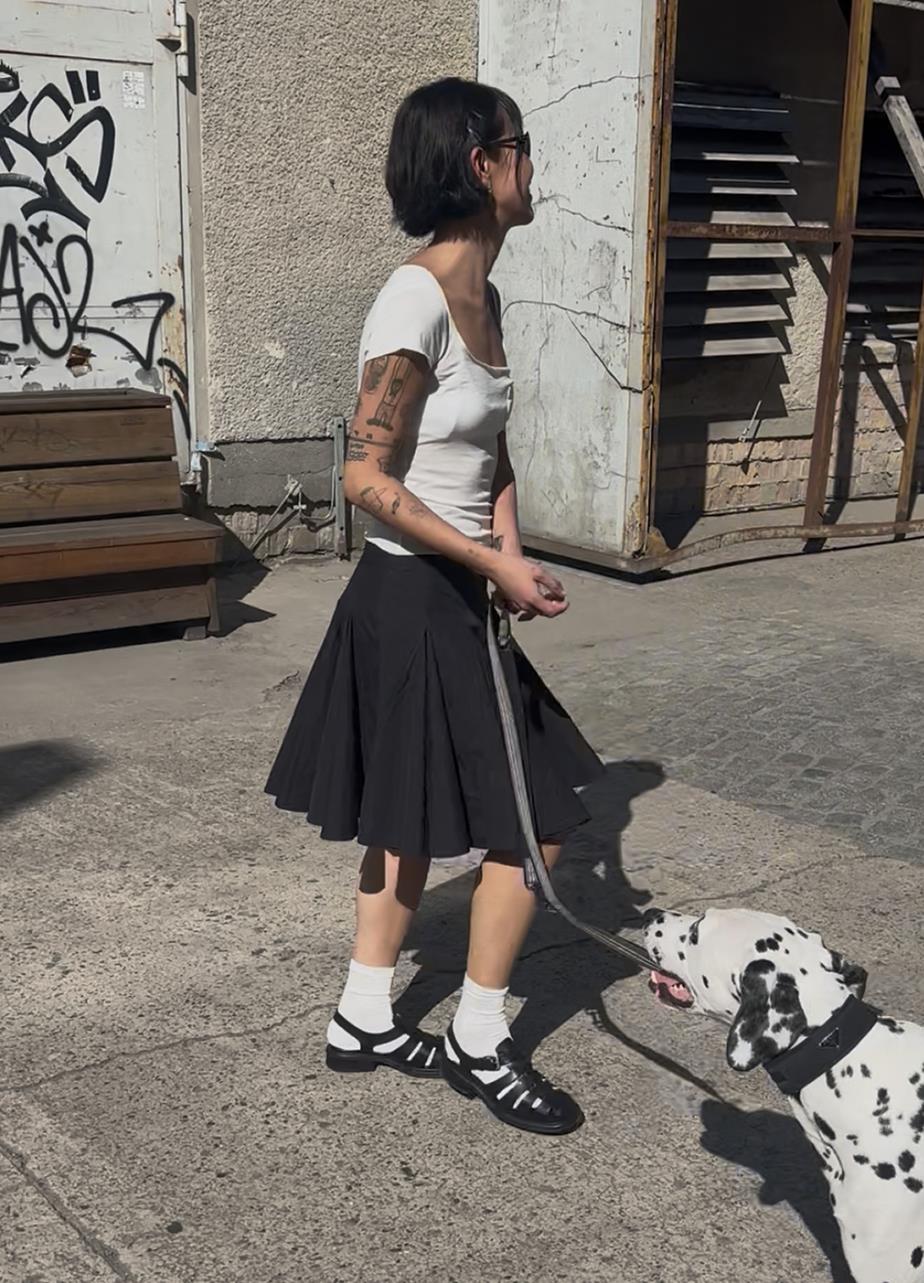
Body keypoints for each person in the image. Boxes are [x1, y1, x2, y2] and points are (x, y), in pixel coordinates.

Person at [266, 77, 603, 1135]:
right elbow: (364, 477)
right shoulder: (410, 300)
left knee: (407, 813)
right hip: (407, 595)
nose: (533, 163)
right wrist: (483, 560)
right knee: (545, 820)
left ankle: (364, 1016)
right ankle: (480, 1036)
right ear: (479, 163)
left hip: (455, 588)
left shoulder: (484, 300)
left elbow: (489, 449)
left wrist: (510, 555)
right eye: (521, 144)